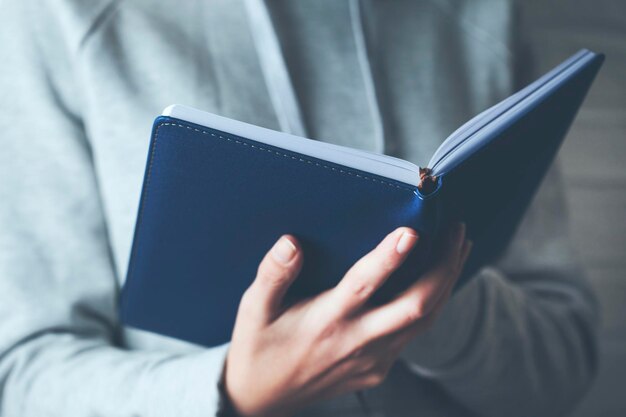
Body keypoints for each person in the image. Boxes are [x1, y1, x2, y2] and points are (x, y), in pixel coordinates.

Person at [0, 1, 598, 416]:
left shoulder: (486, 16)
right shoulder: (58, 17)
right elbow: (22, 378)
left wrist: (436, 309)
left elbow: (565, 365)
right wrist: (232, 391)